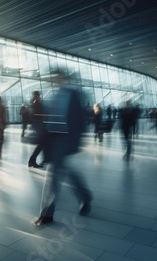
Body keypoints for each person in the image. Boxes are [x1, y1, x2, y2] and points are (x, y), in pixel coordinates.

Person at [35, 72, 92, 226]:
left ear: (63, 78)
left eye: (56, 78)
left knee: (53, 173)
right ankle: (85, 195)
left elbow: (80, 119)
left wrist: (78, 140)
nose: (53, 80)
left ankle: (47, 214)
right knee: (65, 170)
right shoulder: (52, 95)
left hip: (65, 138)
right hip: (52, 138)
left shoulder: (73, 95)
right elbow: (48, 118)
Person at [28, 91, 45, 168]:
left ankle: (33, 160)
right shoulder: (36, 103)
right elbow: (37, 113)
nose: (38, 96)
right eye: (37, 95)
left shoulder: (34, 102)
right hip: (39, 124)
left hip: (38, 124)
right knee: (42, 143)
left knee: (43, 143)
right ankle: (32, 160)